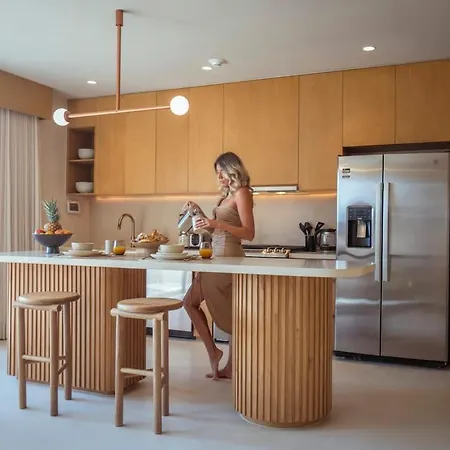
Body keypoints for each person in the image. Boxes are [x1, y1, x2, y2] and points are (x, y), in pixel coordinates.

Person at [182, 152, 255, 380]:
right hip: (215, 257)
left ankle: (226, 361)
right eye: (217, 173)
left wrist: (216, 222)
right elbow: (215, 229)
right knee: (190, 303)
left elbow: (249, 233)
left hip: (230, 258)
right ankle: (215, 353)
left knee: (223, 310)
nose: (219, 177)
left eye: (221, 172)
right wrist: (199, 213)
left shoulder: (243, 193)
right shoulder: (226, 196)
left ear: (232, 169)